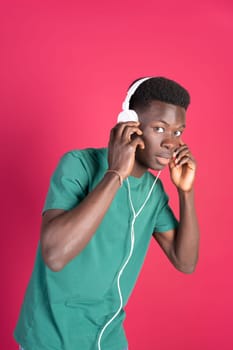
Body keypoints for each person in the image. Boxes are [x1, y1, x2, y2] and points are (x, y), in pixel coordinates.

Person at [14, 76, 199, 350]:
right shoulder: (78, 164)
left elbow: (185, 262)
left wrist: (186, 192)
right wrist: (115, 174)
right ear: (129, 123)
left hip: (107, 338)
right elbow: (54, 254)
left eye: (178, 132)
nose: (171, 142)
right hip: (52, 337)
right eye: (160, 128)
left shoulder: (153, 193)